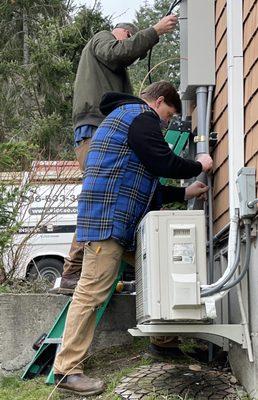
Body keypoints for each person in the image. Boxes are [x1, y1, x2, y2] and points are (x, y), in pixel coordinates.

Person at [53, 81, 213, 396]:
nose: (166, 123)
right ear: (160, 101)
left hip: (119, 220)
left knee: (156, 270)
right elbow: (162, 162)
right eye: (168, 115)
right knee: (91, 294)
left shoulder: (124, 118)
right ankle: (67, 371)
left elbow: (143, 180)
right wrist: (199, 165)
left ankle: (164, 343)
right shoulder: (140, 116)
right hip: (110, 220)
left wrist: (183, 192)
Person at [54, 15, 179, 294]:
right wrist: (155, 30)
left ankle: (119, 266)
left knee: (115, 193)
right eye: (131, 44)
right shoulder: (103, 39)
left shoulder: (111, 69)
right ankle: (73, 272)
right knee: (99, 196)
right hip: (96, 128)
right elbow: (118, 53)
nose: (131, 57)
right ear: (122, 34)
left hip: (99, 127)